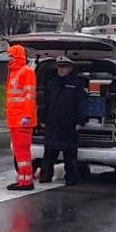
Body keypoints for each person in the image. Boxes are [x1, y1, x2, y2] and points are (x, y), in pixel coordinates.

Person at [40, 56, 85, 184]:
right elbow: (45, 103)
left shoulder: (76, 84)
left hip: (69, 123)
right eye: (59, 67)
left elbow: (81, 104)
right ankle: (46, 176)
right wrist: (42, 119)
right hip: (53, 123)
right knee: (49, 151)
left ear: (70, 68)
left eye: (64, 67)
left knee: (69, 153)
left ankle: (71, 178)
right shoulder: (52, 83)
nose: (61, 69)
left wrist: (80, 121)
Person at [5, 44, 38, 190]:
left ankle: (26, 181)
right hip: (15, 120)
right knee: (19, 152)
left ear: (17, 56)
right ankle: (22, 180)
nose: (9, 59)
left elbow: (29, 97)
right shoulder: (14, 72)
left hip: (22, 120)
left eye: (11, 56)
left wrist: (27, 116)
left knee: (23, 152)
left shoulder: (26, 72)